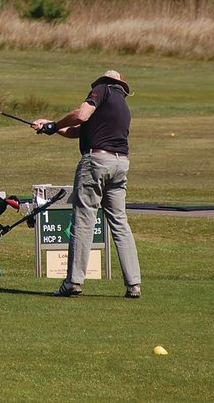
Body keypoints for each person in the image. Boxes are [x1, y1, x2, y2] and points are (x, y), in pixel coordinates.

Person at [31, 70, 142, 299]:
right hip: (120, 165)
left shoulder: (103, 90)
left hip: (96, 163)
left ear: (105, 82)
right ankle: (134, 284)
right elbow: (78, 131)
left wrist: (54, 124)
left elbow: (81, 115)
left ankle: (73, 281)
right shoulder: (122, 105)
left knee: (83, 220)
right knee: (120, 223)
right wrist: (51, 127)